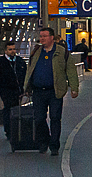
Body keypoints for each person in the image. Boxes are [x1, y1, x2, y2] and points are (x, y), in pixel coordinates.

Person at [23, 27, 79, 155]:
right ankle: (44, 141)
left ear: (52, 37)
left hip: (55, 91)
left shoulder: (62, 52)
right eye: (41, 36)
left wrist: (74, 88)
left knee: (55, 118)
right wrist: (26, 87)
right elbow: (30, 70)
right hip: (38, 91)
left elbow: (70, 70)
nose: (42, 39)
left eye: (45, 36)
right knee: (39, 118)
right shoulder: (36, 52)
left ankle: (54, 145)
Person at [0, 41, 27, 140]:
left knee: (15, 108)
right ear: (5, 51)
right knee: (8, 107)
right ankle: (9, 130)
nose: (12, 51)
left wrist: (26, 88)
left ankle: (15, 129)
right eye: (10, 49)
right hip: (5, 89)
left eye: (14, 49)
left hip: (18, 90)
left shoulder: (20, 61)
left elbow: (25, 75)